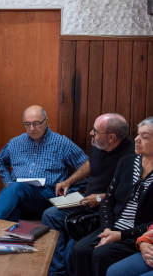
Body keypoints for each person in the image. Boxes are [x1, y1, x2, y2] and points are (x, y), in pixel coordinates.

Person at [42, 113, 134, 276]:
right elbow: (90, 163)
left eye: (95, 131)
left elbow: (129, 194)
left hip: (105, 209)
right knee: (50, 215)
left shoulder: (132, 156)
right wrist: (69, 181)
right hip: (85, 201)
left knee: (75, 249)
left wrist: (100, 198)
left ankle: (70, 270)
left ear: (111, 137)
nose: (91, 133)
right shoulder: (99, 143)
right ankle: (57, 270)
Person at [70, 117, 153, 276]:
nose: (136, 139)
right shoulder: (127, 162)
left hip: (138, 234)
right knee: (80, 249)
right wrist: (107, 228)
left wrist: (120, 235)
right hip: (114, 226)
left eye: (145, 136)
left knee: (102, 254)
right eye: (138, 134)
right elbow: (108, 200)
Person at [0, 105, 88, 221]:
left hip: (46, 194)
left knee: (15, 189)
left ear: (45, 122)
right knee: (13, 198)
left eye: (36, 123)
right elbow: (0, 159)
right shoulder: (15, 142)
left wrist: (69, 182)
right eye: (27, 124)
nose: (32, 128)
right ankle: (0, 237)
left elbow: (87, 164)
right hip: (19, 193)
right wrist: (7, 182)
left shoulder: (61, 142)